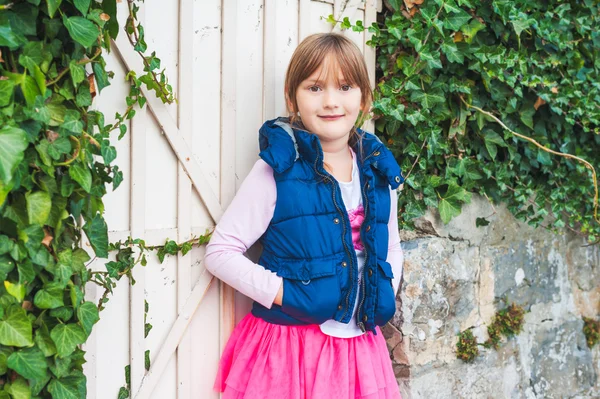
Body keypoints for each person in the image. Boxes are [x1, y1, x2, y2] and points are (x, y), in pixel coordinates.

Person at [204, 32, 404, 399]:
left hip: (359, 352)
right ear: (292, 96)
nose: (331, 101)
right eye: (315, 88)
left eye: (345, 87)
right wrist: (285, 292)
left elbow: (391, 245)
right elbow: (220, 252)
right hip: (290, 350)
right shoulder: (277, 171)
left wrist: (380, 293)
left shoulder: (377, 171)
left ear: (364, 97)